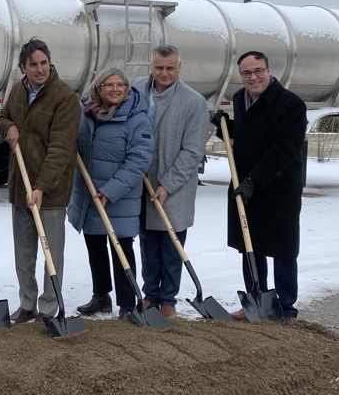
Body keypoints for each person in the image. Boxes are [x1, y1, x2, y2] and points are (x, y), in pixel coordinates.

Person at [212, 51, 307, 323]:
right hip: (246, 185)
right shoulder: (241, 99)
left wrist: (254, 181)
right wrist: (225, 127)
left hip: (278, 187)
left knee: (283, 248)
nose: (253, 77)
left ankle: (286, 309)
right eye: (246, 72)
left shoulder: (291, 104)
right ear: (240, 75)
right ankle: (256, 300)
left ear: (269, 69)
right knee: (250, 244)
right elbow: (248, 136)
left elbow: (284, 150)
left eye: (258, 70)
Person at [0, 37, 81, 323]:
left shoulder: (64, 97)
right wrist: (9, 127)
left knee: (51, 253)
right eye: (33, 64)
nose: (40, 69)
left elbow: (61, 148)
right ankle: (27, 303)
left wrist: (42, 186)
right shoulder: (19, 92)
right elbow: (3, 117)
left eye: (44, 63)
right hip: (20, 186)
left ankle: (48, 308)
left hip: (51, 191)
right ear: (23, 67)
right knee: (24, 252)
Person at [68, 67, 153, 318]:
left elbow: (139, 160)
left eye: (121, 85)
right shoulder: (86, 113)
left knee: (121, 248)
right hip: (89, 193)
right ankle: (101, 296)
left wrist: (110, 190)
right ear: (98, 88)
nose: (115, 89)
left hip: (120, 196)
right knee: (95, 244)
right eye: (109, 85)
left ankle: (128, 304)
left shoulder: (137, 119)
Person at [131, 45, 209, 318]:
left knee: (171, 244)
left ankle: (168, 299)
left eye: (170, 68)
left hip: (173, 184)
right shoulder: (136, 89)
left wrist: (168, 184)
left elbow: (192, 152)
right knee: (148, 242)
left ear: (180, 67)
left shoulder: (194, 102)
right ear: (151, 66)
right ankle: (150, 295)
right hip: (140, 180)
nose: (164, 73)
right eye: (159, 67)